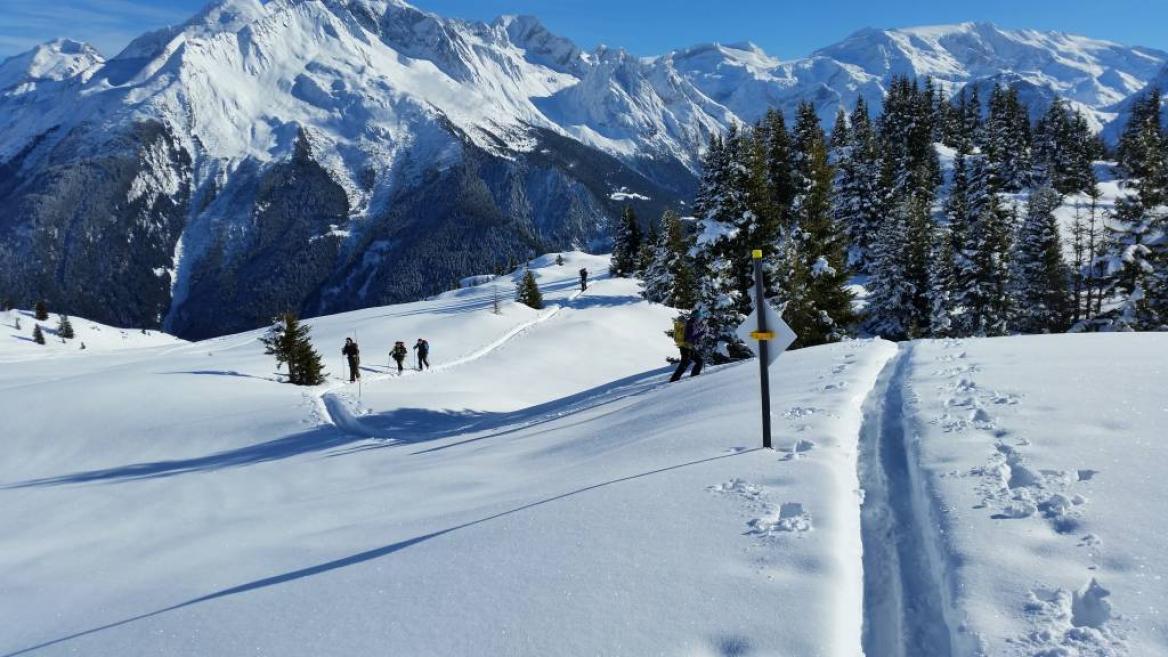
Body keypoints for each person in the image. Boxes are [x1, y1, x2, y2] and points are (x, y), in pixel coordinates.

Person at [669, 310, 706, 382]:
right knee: (690, 362)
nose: (700, 318)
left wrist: (698, 338)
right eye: (699, 316)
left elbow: (691, 337)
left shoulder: (692, 323)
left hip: (687, 346)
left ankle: (676, 378)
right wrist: (700, 334)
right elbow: (689, 338)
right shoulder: (691, 324)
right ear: (696, 317)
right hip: (686, 347)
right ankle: (675, 379)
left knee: (696, 361)